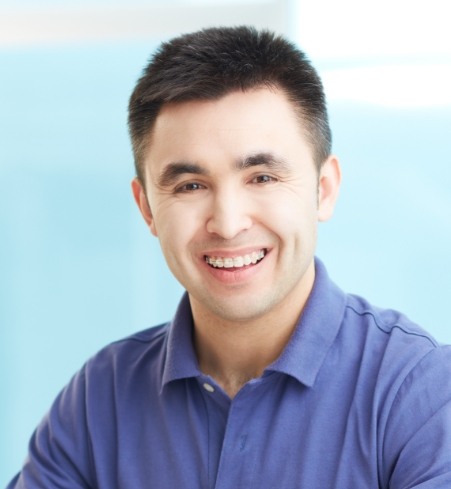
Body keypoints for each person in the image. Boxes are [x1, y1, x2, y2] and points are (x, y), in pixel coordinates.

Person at [8, 26, 451, 488]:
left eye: (261, 177)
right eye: (190, 186)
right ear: (147, 209)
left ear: (323, 189)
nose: (228, 222)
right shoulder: (99, 401)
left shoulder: (421, 394)